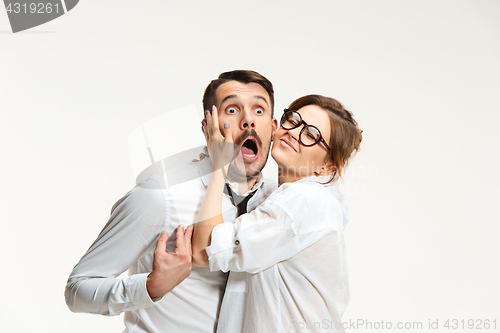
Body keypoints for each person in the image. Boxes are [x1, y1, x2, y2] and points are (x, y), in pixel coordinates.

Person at [65, 70, 279, 332]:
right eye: (232, 110)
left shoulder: (276, 202)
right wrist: (150, 286)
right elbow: (77, 289)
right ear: (207, 127)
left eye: (259, 110)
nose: (248, 121)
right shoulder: (160, 196)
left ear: (274, 128)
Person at [192, 94, 362, 332]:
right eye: (294, 120)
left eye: (312, 135)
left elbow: (204, 251)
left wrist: (218, 167)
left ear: (328, 167)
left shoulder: (302, 201)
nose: (295, 132)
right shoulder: (289, 195)